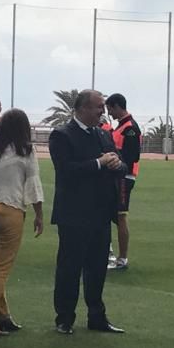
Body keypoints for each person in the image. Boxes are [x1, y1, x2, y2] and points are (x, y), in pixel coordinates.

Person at [48, 89, 126, 335]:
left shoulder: (103, 136)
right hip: (73, 215)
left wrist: (116, 164)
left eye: (103, 107)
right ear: (81, 109)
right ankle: (64, 318)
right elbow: (66, 171)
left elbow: (121, 164)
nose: (102, 111)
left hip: (100, 214)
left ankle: (97, 316)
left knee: (97, 268)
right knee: (69, 268)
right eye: (98, 107)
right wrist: (99, 163)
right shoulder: (62, 135)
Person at [0, 109, 44, 336]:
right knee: (2, 268)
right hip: (8, 209)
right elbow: (33, 185)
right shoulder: (26, 151)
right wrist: (39, 214)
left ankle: (3, 315)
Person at [105, 93, 141, 271]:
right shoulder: (121, 127)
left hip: (124, 177)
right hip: (115, 176)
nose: (109, 113)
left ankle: (122, 258)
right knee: (109, 213)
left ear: (117, 106)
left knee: (120, 215)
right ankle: (109, 253)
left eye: (110, 109)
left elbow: (133, 156)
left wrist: (115, 160)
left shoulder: (130, 128)